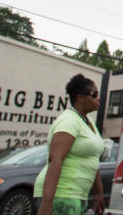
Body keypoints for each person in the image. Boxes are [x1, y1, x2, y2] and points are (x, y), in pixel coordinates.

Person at [34, 74, 106, 215]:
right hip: (62, 194)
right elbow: (56, 159)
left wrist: (99, 193)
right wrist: (47, 203)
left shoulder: (88, 122)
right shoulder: (69, 121)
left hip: (77, 194)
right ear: (80, 97)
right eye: (94, 94)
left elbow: (92, 159)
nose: (99, 98)